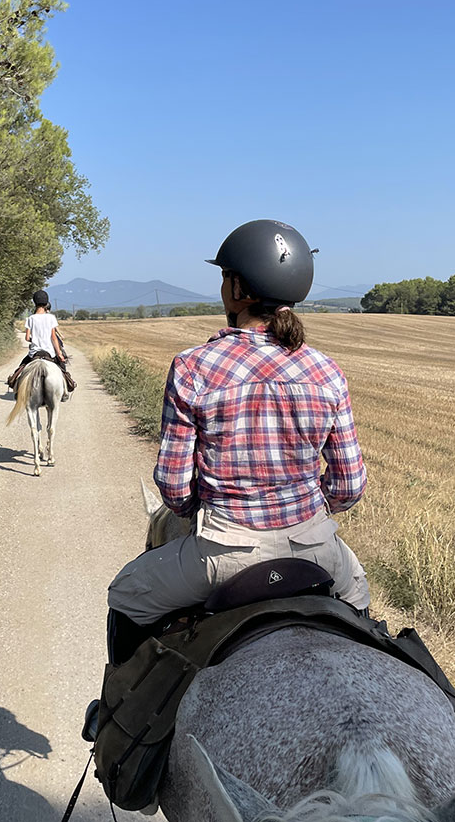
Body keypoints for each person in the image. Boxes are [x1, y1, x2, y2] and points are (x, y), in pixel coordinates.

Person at [107, 219, 370, 652]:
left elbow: (173, 485)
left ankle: (118, 714)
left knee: (125, 594)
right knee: (360, 605)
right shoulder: (327, 371)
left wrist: (203, 510)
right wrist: (308, 510)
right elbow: (349, 485)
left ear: (237, 289)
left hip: (224, 551)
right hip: (316, 549)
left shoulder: (194, 366)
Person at [7, 290, 76, 393]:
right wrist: (59, 354)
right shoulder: (51, 318)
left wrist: (34, 339)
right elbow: (53, 337)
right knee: (62, 368)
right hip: (49, 352)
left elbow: (26, 338)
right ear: (46, 303)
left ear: (35, 303)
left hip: (34, 353)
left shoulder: (30, 318)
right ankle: (67, 386)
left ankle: (13, 380)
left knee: (22, 365)